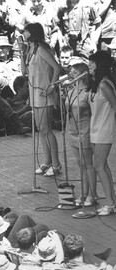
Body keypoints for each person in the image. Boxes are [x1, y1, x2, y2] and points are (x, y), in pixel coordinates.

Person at [20, 22, 61, 177]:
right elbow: (24, 72)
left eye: (25, 31)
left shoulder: (43, 49)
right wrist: (21, 53)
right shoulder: (31, 49)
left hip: (45, 93)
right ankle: (47, 161)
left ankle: (56, 164)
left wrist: (52, 85)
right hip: (35, 94)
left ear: (32, 33)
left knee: (46, 129)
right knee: (40, 130)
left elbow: (57, 67)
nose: (23, 33)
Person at [65, 57, 97, 206]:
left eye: (76, 68)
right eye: (71, 69)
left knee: (88, 164)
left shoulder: (89, 92)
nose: (72, 71)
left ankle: (93, 194)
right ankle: (84, 193)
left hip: (85, 131)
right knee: (80, 165)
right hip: (72, 131)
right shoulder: (71, 90)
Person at [88, 50, 116, 215]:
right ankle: (111, 200)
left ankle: (110, 204)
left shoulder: (105, 84)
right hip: (95, 128)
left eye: (92, 62)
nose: (90, 65)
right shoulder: (97, 83)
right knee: (102, 166)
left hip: (104, 130)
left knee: (99, 166)